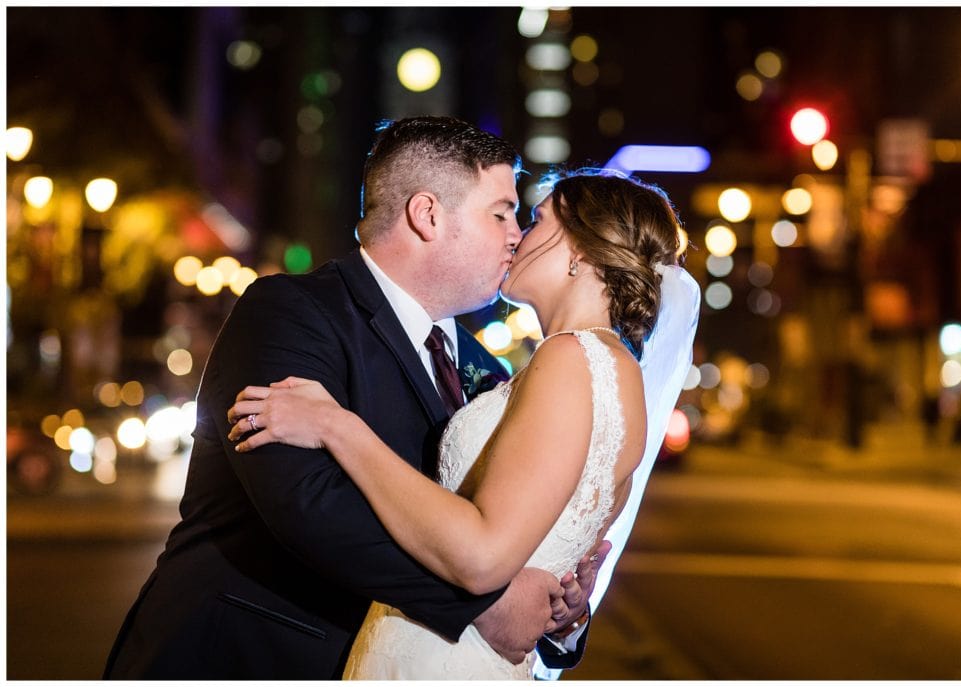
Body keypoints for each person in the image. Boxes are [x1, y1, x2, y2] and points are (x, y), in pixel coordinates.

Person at [103, 117, 601, 680]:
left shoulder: (488, 367)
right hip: (255, 654)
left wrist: (557, 607)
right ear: (428, 214)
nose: (516, 234)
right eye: (501, 212)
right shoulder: (290, 312)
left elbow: (486, 517)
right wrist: (481, 604)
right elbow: (307, 501)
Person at [227, 168, 697, 679]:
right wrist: (568, 613)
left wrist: (337, 426)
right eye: (504, 215)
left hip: (438, 659)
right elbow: (557, 559)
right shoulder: (609, 376)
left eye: (534, 220)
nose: (518, 234)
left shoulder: (568, 359)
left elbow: (482, 555)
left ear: (581, 252)